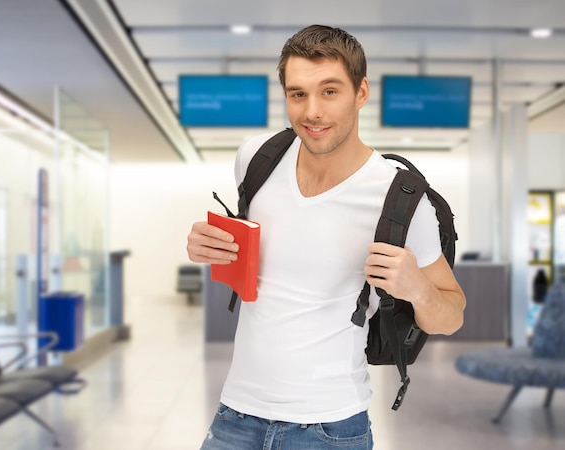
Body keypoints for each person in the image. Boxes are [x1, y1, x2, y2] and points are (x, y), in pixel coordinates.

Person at [187, 24, 466, 450]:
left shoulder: (402, 199)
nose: (311, 111)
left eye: (330, 91)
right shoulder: (257, 158)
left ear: (361, 92)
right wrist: (208, 245)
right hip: (235, 416)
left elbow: (452, 314)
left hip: (329, 428)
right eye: (298, 94)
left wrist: (418, 289)